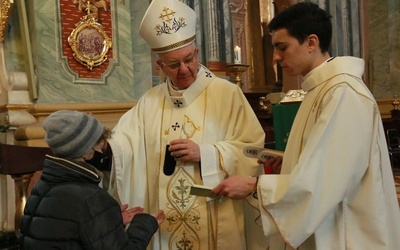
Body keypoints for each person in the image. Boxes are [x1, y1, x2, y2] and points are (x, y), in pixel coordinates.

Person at [211, 2, 400, 249]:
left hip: (347, 233)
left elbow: (326, 180)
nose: (275, 58)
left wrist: (254, 186)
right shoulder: (319, 90)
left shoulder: (343, 93)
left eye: (282, 47)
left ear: (311, 42)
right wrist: (291, 161)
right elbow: (327, 160)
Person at [105, 0, 265, 249]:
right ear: (160, 66)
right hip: (164, 221)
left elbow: (252, 148)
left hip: (215, 216)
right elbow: (122, 145)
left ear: (197, 53)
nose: (184, 69)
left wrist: (206, 153)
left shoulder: (227, 93)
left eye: (188, 59)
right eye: (173, 64)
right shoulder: (150, 101)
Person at [19, 110, 165, 250]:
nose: (101, 153)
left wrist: (107, 220)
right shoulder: (92, 198)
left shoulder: (43, 184)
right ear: (85, 150)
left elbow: (66, 230)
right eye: (99, 147)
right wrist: (144, 224)